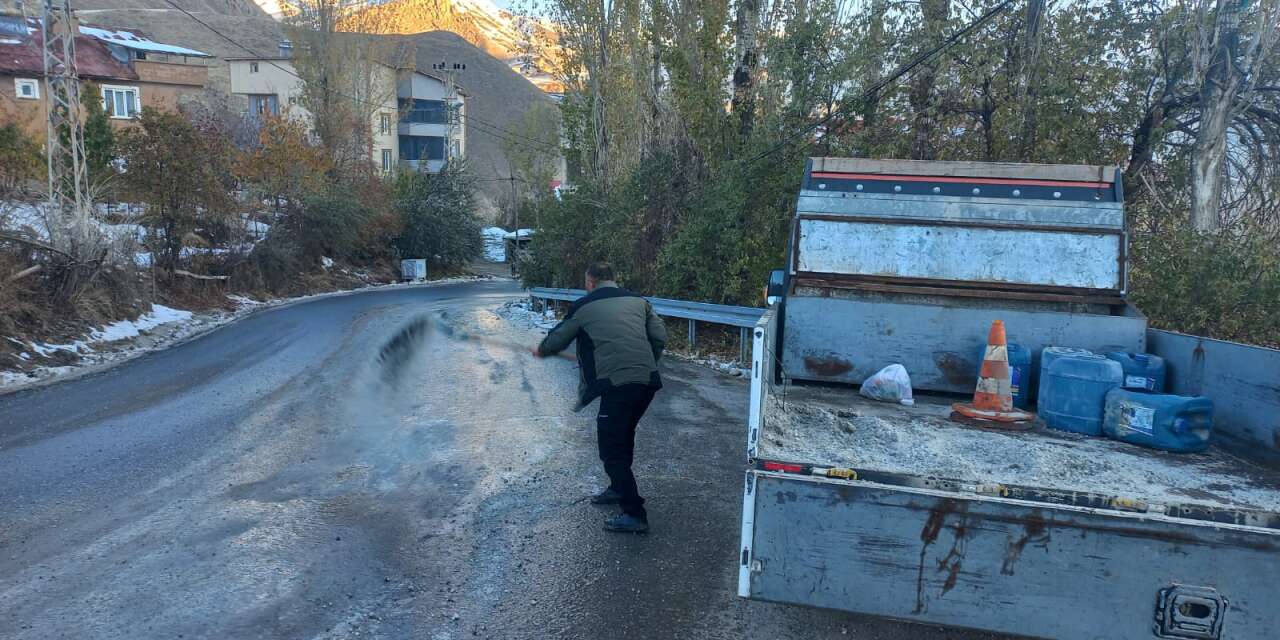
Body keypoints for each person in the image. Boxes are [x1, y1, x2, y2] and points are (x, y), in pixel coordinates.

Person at [532, 262, 666, 533]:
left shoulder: (584, 306)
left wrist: (543, 350)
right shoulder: (639, 302)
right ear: (613, 280)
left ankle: (634, 514)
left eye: (586, 282)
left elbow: (558, 339)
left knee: (611, 448)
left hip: (618, 385)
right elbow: (660, 336)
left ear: (591, 282)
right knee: (623, 435)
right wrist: (646, 362)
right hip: (647, 382)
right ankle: (618, 488)